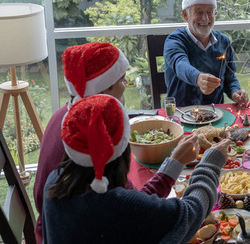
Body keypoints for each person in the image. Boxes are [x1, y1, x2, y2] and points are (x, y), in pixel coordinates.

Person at [33, 42, 189, 243]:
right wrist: (175, 164)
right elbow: (134, 207)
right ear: (104, 89)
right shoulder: (94, 141)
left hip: (54, 225)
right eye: (122, 80)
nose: (125, 85)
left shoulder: (64, 118)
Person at [42, 94, 229, 243]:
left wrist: (174, 163)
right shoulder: (117, 204)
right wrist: (209, 165)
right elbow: (189, 214)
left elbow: (138, 208)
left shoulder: (56, 181)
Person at [164, 0, 248, 107]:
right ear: (185, 15)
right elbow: (180, 64)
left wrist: (235, 91)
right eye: (198, 12)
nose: (205, 18)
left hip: (217, 113)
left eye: (209, 12)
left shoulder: (223, 41)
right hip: (181, 112)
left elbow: (230, 78)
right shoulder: (175, 41)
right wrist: (197, 78)